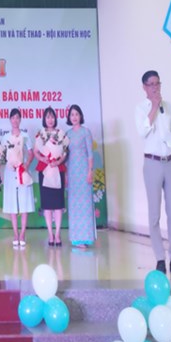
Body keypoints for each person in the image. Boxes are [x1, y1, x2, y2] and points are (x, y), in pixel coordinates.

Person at [134, 71, 171, 277]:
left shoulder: (170, 107)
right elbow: (143, 131)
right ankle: (159, 258)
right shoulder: (141, 109)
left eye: (158, 83)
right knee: (154, 214)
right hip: (152, 164)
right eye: (151, 84)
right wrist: (154, 107)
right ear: (144, 87)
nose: (156, 87)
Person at [35, 109, 68, 247]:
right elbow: (36, 152)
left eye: (52, 117)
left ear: (55, 119)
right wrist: (44, 159)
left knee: (58, 204)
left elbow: (65, 152)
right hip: (44, 170)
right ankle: (50, 233)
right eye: (48, 117)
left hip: (57, 169)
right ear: (44, 119)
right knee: (47, 205)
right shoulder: (41, 134)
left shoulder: (60, 134)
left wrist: (58, 161)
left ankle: (58, 233)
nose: (50, 120)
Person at [65, 105, 96, 249]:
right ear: (69, 117)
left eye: (76, 114)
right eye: (72, 114)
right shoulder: (67, 134)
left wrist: (90, 171)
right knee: (74, 205)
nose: (74, 117)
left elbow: (90, 154)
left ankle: (86, 237)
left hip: (83, 173)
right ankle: (76, 238)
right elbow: (66, 156)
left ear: (80, 116)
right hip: (72, 174)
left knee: (85, 204)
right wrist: (66, 174)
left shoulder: (86, 132)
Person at [2, 108, 34, 248]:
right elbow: (2, 155)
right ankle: (15, 233)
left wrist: (26, 164)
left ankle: (23, 233)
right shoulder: (5, 137)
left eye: (17, 118)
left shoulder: (25, 136)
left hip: (22, 171)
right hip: (10, 172)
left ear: (20, 120)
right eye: (13, 118)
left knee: (24, 202)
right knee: (12, 204)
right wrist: (7, 161)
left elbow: (31, 153)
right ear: (10, 120)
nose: (15, 120)